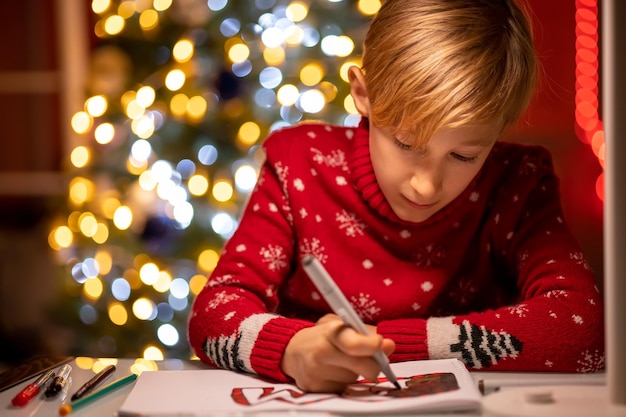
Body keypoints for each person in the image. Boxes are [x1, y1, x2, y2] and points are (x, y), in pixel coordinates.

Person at [188, 0, 605, 393]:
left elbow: (583, 328)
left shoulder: (517, 182)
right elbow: (213, 314)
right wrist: (292, 350)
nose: (425, 185)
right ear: (363, 93)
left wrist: (386, 344)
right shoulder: (299, 164)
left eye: (464, 155)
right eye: (406, 143)